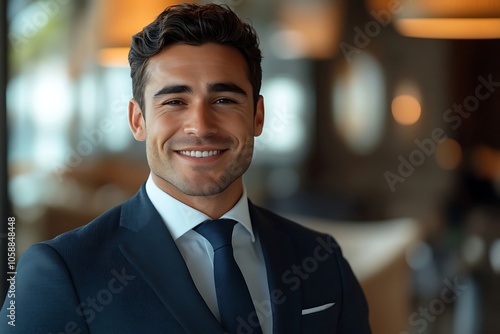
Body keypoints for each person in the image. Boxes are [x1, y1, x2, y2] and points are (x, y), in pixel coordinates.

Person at [0, 3, 370, 333]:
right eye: (175, 101)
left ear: (257, 115)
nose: (201, 126)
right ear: (137, 120)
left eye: (224, 99)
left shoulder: (321, 258)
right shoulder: (62, 271)